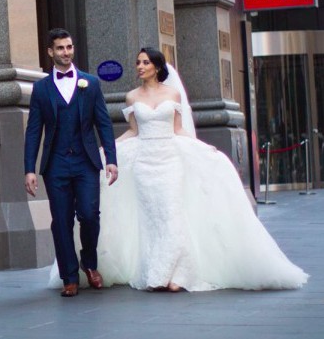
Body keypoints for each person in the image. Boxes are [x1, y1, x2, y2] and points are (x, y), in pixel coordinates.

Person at [66, 47, 308, 292]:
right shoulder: (131, 97)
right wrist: (109, 148)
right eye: (138, 62)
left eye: (145, 62)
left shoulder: (172, 94)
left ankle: (177, 273)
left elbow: (178, 128)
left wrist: (202, 147)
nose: (140, 66)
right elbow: (133, 130)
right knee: (152, 218)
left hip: (170, 159)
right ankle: (156, 271)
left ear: (157, 67)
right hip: (144, 163)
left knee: (171, 214)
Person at [24, 28, 119, 297]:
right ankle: (69, 275)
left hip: (86, 162)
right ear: (50, 52)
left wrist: (111, 159)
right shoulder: (41, 89)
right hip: (55, 166)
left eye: (69, 47)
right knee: (62, 220)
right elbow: (33, 130)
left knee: (89, 216)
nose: (66, 52)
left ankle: (89, 262)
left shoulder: (91, 83)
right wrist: (29, 169)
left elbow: (103, 123)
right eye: (61, 48)